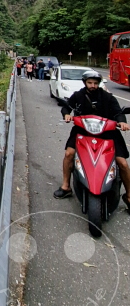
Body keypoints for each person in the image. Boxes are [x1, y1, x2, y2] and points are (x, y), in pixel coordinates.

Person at [54, 69, 130, 207]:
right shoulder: (78, 95)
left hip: (107, 132)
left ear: (99, 83)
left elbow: (118, 112)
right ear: (85, 83)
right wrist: (66, 114)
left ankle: (129, 195)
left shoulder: (108, 97)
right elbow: (66, 108)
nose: (93, 85)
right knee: (69, 154)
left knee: (123, 163)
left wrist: (122, 121)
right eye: (90, 83)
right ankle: (66, 186)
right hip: (82, 130)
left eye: (95, 83)